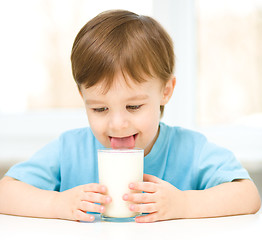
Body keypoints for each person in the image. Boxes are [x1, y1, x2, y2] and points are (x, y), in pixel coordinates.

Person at [0, 10, 260, 223]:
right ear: (83, 98)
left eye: (134, 107)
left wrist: (184, 204)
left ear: (166, 91)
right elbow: (5, 192)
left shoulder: (190, 150)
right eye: (99, 109)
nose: (117, 124)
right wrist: (56, 203)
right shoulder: (70, 149)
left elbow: (248, 195)